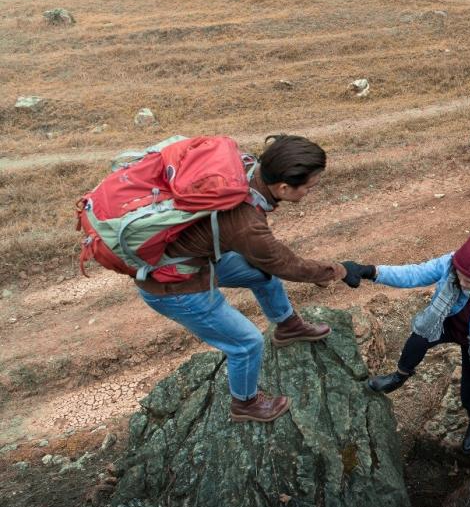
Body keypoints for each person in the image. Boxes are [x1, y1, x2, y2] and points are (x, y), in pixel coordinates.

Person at [135, 135, 347, 423]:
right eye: (309, 186)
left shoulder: (246, 167)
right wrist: (332, 272)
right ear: (284, 187)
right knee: (247, 343)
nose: (312, 191)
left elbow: (268, 261)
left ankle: (287, 326)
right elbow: (284, 262)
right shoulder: (246, 221)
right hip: (173, 284)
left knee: (261, 274)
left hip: (192, 260)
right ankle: (245, 404)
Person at [342, 234, 470, 453]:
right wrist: (371, 271)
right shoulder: (451, 264)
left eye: (469, 280)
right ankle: (399, 376)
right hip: (446, 323)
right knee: (417, 340)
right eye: (459, 275)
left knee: (469, 396)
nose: (461, 281)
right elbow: (414, 274)